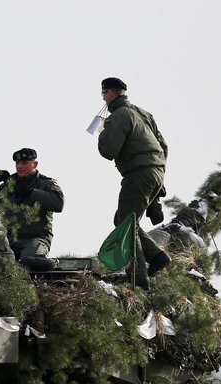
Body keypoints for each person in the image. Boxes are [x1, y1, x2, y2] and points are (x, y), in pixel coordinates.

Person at [97, 77, 171, 288]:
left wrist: (102, 132)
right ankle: (157, 256)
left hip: (138, 174)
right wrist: (157, 172)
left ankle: (138, 281)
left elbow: (108, 151)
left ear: (110, 93)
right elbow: (163, 146)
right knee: (124, 220)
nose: (103, 98)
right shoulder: (143, 113)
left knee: (126, 225)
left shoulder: (119, 116)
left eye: (103, 94)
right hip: (155, 172)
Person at [0, 147, 64, 261]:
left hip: (35, 238)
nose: (20, 166)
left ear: (35, 164)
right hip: (9, 239)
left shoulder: (45, 184)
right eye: (17, 163)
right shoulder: (9, 185)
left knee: (31, 261)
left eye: (25, 163)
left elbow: (58, 204)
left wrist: (32, 193)